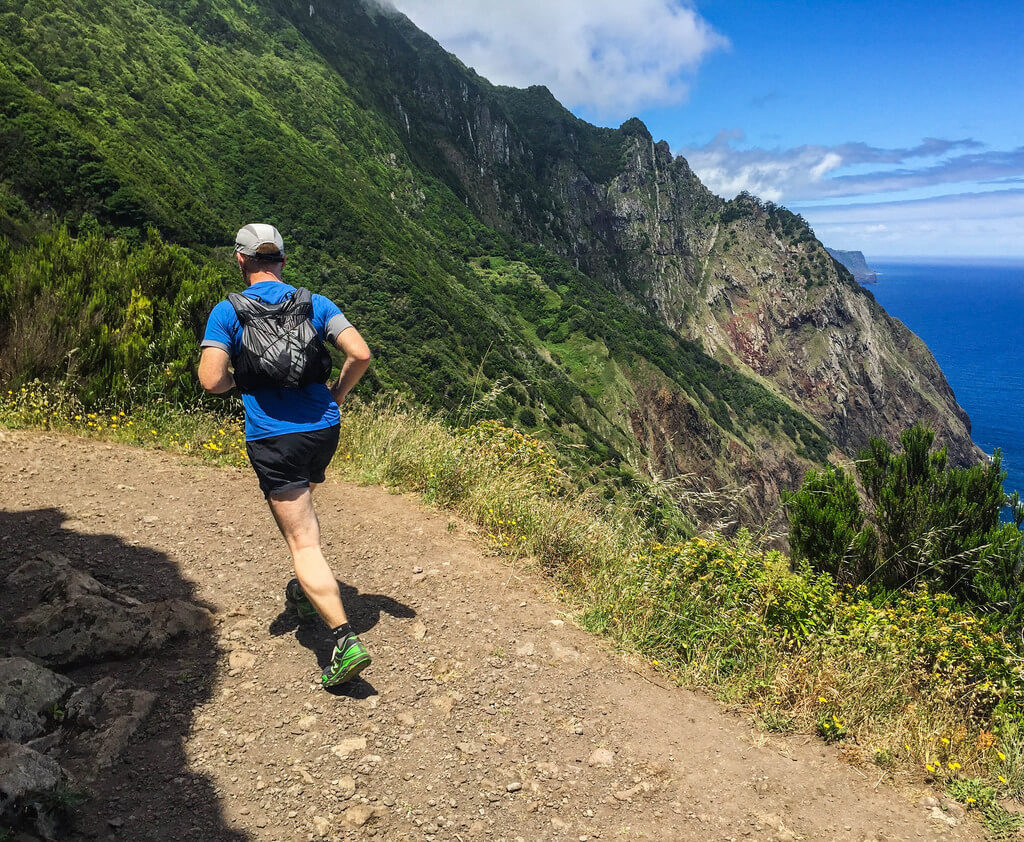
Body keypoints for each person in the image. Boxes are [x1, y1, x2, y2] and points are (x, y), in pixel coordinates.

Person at [198, 223, 373, 688]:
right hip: (323, 430)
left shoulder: (227, 312)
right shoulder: (316, 303)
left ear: (240, 260)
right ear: (283, 261)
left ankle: (343, 639)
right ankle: (303, 588)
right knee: (303, 511)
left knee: (303, 542)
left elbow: (212, 380)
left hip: (274, 438)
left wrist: (244, 381)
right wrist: (337, 394)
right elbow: (360, 353)